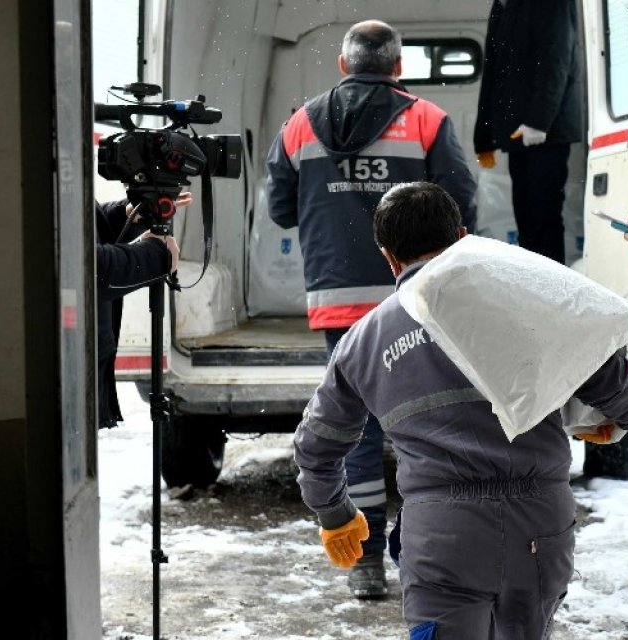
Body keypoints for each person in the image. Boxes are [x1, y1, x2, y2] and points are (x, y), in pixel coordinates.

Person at [293, 182, 628, 638]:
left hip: (444, 535)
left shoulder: (363, 341)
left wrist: (336, 514)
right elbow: (612, 381)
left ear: (389, 257)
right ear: (463, 236)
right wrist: (620, 416)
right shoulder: (528, 299)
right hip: (540, 526)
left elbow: (315, 448)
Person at [265, 19, 478, 599]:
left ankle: (363, 564)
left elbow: (282, 210)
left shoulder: (299, 123)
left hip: (337, 300)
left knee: (353, 430)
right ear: (398, 67)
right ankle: (427, 552)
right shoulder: (427, 120)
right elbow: (461, 204)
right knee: (428, 422)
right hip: (419, 297)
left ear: (342, 66)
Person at [473, 0, 582, 264]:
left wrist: (539, 121)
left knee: (543, 218)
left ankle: (550, 291)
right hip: (518, 134)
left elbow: (557, 59)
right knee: (527, 219)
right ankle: (535, 288)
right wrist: (483, 135)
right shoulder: (504, 5)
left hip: (545, 132)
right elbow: (494, 70)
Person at [94, 195, 183, 429]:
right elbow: (87, 267)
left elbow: (82, 228)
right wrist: (156, 255)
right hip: (67, 363)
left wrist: (129, 214)